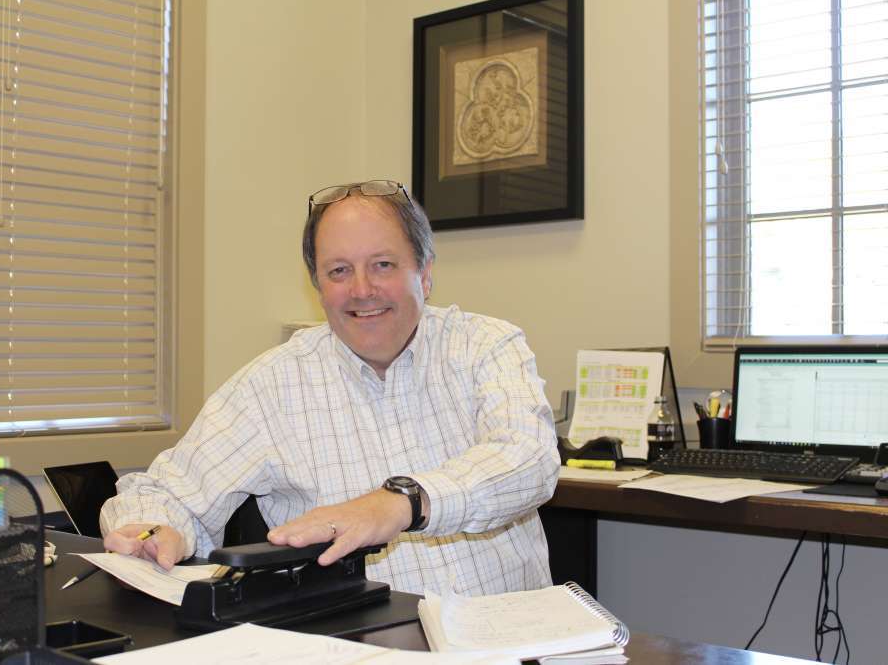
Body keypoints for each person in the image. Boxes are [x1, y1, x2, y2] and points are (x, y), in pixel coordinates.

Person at [100, 179, 560, 596]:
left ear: (424, 273)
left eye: (382, 264)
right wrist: (151, 529)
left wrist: (401, 503)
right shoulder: (273, 384)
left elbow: (529, 458)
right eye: (339, 271)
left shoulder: (485, 344)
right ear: (318, 285)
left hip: (511, 640)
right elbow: (168, 492)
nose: (362, 290)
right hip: (366, 645)